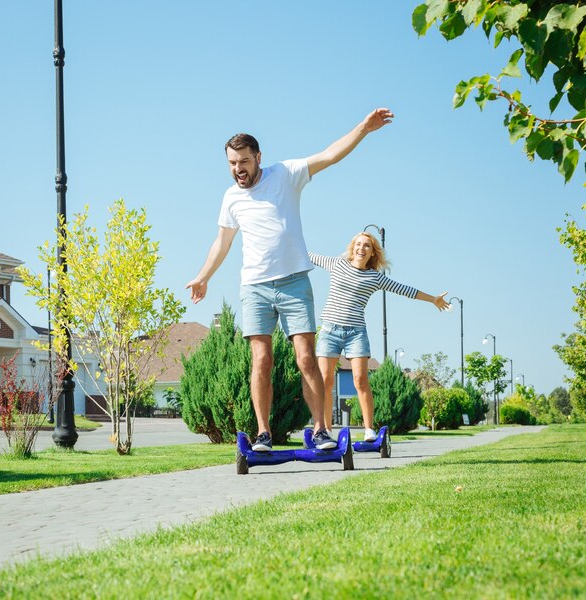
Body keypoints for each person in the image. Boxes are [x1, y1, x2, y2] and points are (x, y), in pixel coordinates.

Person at [186, 108, 394, 452]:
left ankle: (320, 430)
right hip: (254, 287)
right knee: (261, 359)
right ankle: (264, 433)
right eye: (232, 163)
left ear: (258, 158)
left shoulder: (285, 174)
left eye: (244, 161)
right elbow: (222, 242)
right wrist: (203, 276)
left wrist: (363, 129)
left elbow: (329, 155)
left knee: (306, 358)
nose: (238, 169)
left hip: (294, 282)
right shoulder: (231, 198)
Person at [310, 231, 449, 442]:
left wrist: (433, 299)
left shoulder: (374, 277)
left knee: (360, 380)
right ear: (352, 247)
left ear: (373, 252)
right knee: (326, 381)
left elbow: (404, 290)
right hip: (330, 330)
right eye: (358, 244)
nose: (361, 248)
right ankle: (326, 431)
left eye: (366, 245)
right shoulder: (336, 264)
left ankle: (368, 430)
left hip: (356, 333)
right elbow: (308, 255)